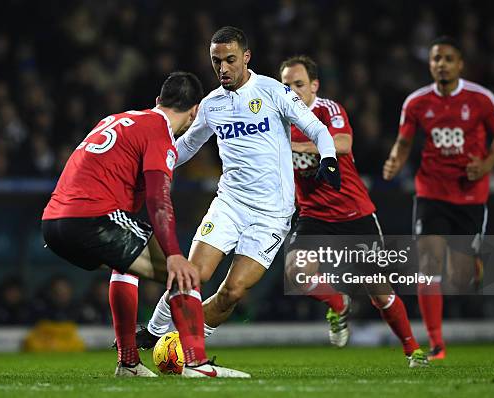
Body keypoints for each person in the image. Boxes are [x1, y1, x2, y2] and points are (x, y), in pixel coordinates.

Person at [137, 26, 341, 347]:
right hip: (229, 204)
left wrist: (328, 158)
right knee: (194, 274)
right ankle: (153, 332)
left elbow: (317, 129)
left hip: (272, 214)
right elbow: (188, 145)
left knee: (231, 292)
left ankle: (184, 343)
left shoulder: (273, 91)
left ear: (246, 57)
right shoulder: (211, 104)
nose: (223, 68)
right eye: (216, 61)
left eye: (230, 60)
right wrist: (153, 167)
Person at [41, 71, 249, 378]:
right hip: (92, 218)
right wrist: (175, 253)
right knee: (185, 275)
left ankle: (128, 363)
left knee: (124, 266)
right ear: (194, 111)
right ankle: (196, 363)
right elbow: (158, 198)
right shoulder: (158, 132)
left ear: (158, 101)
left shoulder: (117, 119)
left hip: (54, 222)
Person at [281, 55, 428, 368]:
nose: (292, 91)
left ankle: (412, 349)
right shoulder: (278, 119)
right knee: (295, 273)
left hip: (353, 214)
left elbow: (344, 143)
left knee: (379, 292)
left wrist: (297, 146)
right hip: (313, 216)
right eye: (286, 85)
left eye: (298, 84)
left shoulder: (327, 109)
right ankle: (338, 302)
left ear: (314, 85)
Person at [383, 36, 494, 360]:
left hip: (470, 193)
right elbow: (403, 140)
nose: (441, 64)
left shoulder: (480, 99)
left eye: (448, 59)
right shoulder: (416, 102)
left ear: (460, 64)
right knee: (428, 265)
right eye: (436, 58)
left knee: (460, 277)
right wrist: (396, 159)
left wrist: (486, 165)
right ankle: (437, 343)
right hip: (431, 191)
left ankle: (477, 264)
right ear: (430, 64)